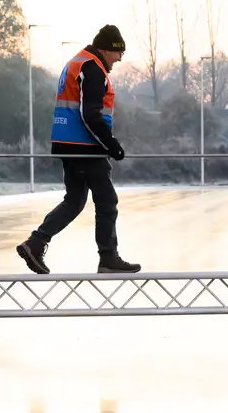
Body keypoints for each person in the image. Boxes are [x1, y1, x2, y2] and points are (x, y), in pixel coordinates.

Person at [15, 24, 141, 274]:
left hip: (69, 142)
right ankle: (108, 258)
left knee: (74, 200)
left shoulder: (78, 62)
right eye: (119, 53)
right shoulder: (92, 68)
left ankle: (36, 243)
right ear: (107, 50)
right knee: (107, 201)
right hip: (85, 146)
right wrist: (112, 145)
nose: (119, 59)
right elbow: (90, 115)